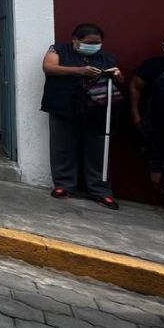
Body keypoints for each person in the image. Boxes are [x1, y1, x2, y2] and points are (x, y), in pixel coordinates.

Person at [41, 23, 123, 209]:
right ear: (75, 39)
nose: (94, 45)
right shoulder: (59, 50)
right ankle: (63, 185)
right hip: (64, 106)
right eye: (89, 42)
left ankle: (101, 190)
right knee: (62, 147)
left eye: (97, 42)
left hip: (97, 110)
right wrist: (79, 71)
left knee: (98, 151)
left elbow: (120, 80)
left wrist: (117, 74)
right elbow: (49, 67)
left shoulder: (106, 57)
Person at [130, 27, 164, 191]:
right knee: (158, 167)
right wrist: (135, 114)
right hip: (157, 125)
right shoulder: (154, 66)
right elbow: (135, 86)